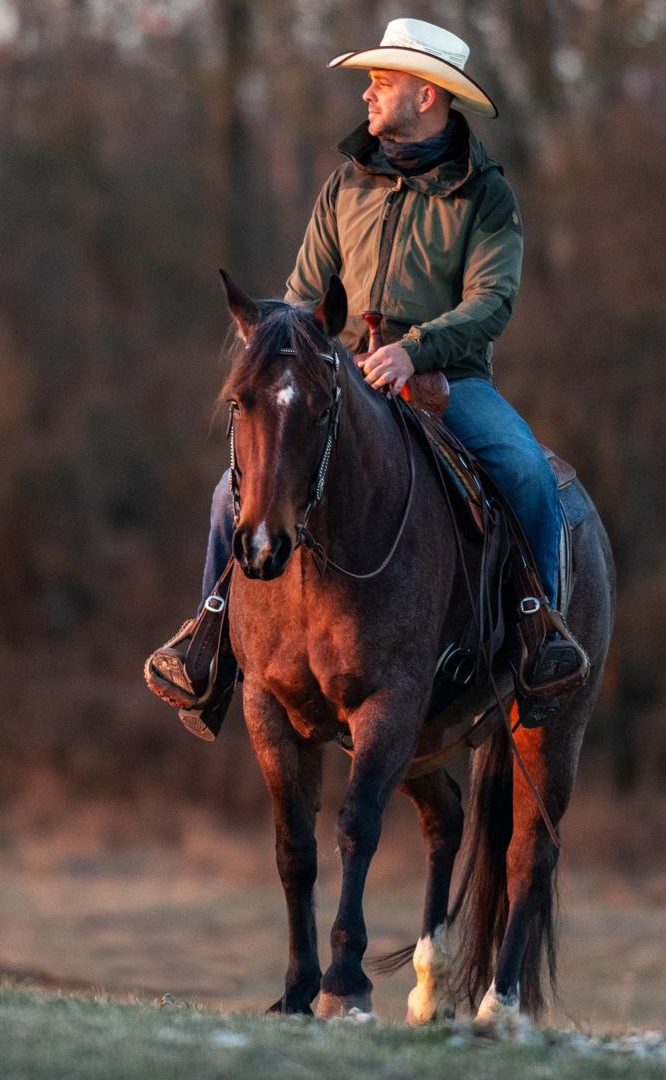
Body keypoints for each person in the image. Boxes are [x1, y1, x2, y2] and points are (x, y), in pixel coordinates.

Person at [146, 18, 582, 740]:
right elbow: (301, 290)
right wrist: (277, 344)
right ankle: (209, 646)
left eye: (383, 80)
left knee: (529, 474)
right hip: (335, 379)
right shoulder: (346, 182)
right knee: (233, 490)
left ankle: (542, 637)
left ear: (427, 95)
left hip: (448, 380)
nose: (369, 92)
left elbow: (491, 302)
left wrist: (417, 349)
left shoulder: (489, 198)